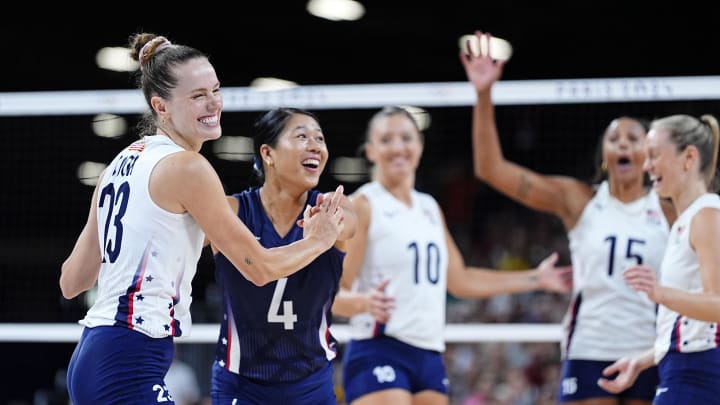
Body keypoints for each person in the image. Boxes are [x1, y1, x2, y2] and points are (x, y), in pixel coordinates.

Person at [58, 33, 344, 404]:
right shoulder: (189, 167)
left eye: (215, 89)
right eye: (197, 96)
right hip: (128, 358)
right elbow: (259, 269)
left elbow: (71, 281)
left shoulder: (118, 165)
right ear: (160, 106)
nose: (213, 103)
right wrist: (319, 240)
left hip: (94, 352)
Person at [460, 31, 675, 405]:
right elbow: (491, 169)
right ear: (605, 154)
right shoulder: (579, 200)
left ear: (650, 152)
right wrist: (483, 95)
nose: (623, 143)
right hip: (590, 348)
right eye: (614, 138)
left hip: (650, 349)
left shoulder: (670, 205)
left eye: (633, 137)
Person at [336, 105, 573, 405]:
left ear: (420, 146)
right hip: (379, 346)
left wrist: (536, 278)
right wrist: (362, 302)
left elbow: (460, 280)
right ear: (370, 151)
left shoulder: (429, 208)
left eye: (406, 138)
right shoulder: (363, 205)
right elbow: (333, 291)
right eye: (386, 140)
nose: (398, 147)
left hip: (429, 353)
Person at [209, 107, 356, 404]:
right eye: (302, 136)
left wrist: (330, 228)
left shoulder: (331, 208)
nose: (316, 145)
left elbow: (349, 224)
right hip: (240, 384)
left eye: (320, 138)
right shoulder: (232, 212)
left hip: (311, 384)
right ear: (268, 153)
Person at [597, 114, 720, 404]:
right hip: (681, 367)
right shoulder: (686, 220)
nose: (646, 165)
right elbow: (692, 323)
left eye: (654, 156)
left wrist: (660, 293)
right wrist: (642, 360)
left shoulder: (706, 215)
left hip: (698, 372)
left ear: (689, 157)